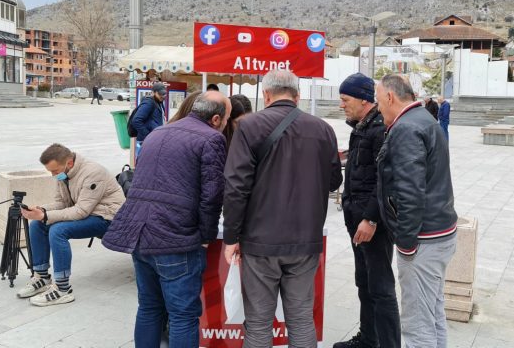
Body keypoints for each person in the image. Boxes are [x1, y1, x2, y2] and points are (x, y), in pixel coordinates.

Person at [223, 70, 343, 348]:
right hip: (305, 239)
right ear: (297, 95)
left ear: (266, 95)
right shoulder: (323, 129)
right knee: (301, 319)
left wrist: (231, 236)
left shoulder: (249, 126)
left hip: (260, 241)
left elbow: (236, 186)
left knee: (258, 322)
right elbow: (335, 181)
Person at [103, 91, 231, 348]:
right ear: (216, 119)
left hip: (138, 234)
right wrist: (206, 236)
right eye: (227, 119)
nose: (226, 125)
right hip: (174, 237)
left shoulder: (158, 133)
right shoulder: (212, 138)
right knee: (183, 315)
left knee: (149, 307)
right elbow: (212, 195)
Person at [375, 74, 458, 348]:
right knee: (433, 314)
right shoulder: (424, 119)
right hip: (440, 232)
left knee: (417, 326)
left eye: (378, 101)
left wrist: (406, 243)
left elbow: (410, 192)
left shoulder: (406, 128)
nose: (378, 108)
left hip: (424, 239)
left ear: (390, 97)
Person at [335, 73, 400, 348]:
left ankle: (388, 343)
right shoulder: (361, 127)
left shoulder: (380, 128)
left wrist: (371, 218)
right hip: (356, 220)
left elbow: (385, 180)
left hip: (373, 224)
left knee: (381, 288)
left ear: (363, 99)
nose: (341, 105)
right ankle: (369, 339)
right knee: (364, 282)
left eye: (345, 99)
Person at [18, 144, 125, 306]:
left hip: (107, 217)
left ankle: (63, 289)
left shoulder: (93, 173)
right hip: (88, 213)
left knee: (58, 230)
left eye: (55, 171)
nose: (53, 175)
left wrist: (46, 216)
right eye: (50, 172)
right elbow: (62, 203)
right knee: (37, 225)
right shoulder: (63, 174)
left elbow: (81, 211)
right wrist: (41, 210)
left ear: (69, 163)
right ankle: (42, 277)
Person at [132, 83, 166, 156]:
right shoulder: (148, 103)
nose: (162, 96)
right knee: (144, 162)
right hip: (145, 142)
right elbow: (136, 121)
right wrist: (148, 135)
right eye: (160, 94)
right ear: (153, 93)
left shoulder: (159, 102)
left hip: (153, 140)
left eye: (163, 94)